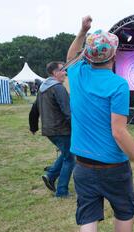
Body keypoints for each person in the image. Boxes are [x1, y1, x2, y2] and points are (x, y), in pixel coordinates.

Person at [66, 16, 134, 232]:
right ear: (114, 54)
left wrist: (82, 31)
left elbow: (69, 56)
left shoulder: (77, 74)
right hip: (114, 167)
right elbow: (119, 132)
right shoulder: (117, 85)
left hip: (83, 167)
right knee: (124, 211)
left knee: (87, 220)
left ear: (87, 54)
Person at [29, 61, 75, 198]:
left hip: (49, 130)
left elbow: (34, 110)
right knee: (70, 158)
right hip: (61, 129)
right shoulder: (58, 88)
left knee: (67, 153)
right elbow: (67, 112)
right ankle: (61, 192)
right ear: (55, 73)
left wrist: (33, 127)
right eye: (63, 70)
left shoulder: (43, 88)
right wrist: (77, 129)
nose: (65, 73)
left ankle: (50, 175)